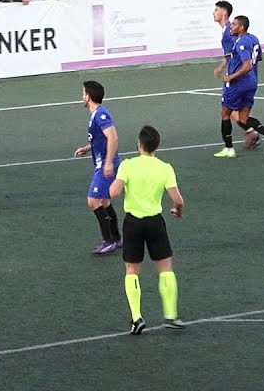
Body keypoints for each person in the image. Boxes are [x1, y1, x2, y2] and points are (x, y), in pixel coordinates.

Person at [109, 125, 185, 335]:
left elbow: (113, 192)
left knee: (132, 270)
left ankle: (137, 317)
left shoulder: (127, 165)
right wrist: (178, 210)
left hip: (133, 223)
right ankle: (170, 315)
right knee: (165, 267)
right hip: (155, 223)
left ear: (139, 144)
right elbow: (178, 200)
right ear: (156, 146)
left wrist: (114, 182)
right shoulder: (165, 168)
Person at [214, 15, 264, 158]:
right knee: (243, 118)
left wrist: (230, 76)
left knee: (225, 114)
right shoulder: (253, 38)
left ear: (241, 27)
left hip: (238, 84)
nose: (231, 27)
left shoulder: (241, 43)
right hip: (252, 83)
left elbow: (247, 66)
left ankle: (229, 149)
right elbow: (259, 58)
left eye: (234, 25)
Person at [73, 81, 121, 255]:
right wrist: (87, 148)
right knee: (105, 201)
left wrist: (108, 163)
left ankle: (108, 241)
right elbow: (101, 138)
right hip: (103, 162)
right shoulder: (96, 114)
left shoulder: (101, 115)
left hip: (105, 164)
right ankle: (115, 238)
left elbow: (113, 138)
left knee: (93, 201)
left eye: (83, 93)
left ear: (88, 96)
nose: (82, 97)